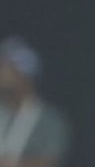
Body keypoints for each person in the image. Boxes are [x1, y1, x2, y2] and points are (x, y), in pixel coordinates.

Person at [0, 37, 70, 167]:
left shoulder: (50, 121)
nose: (2, 73)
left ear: (26, 74)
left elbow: (49, 162)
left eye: (8, 68)